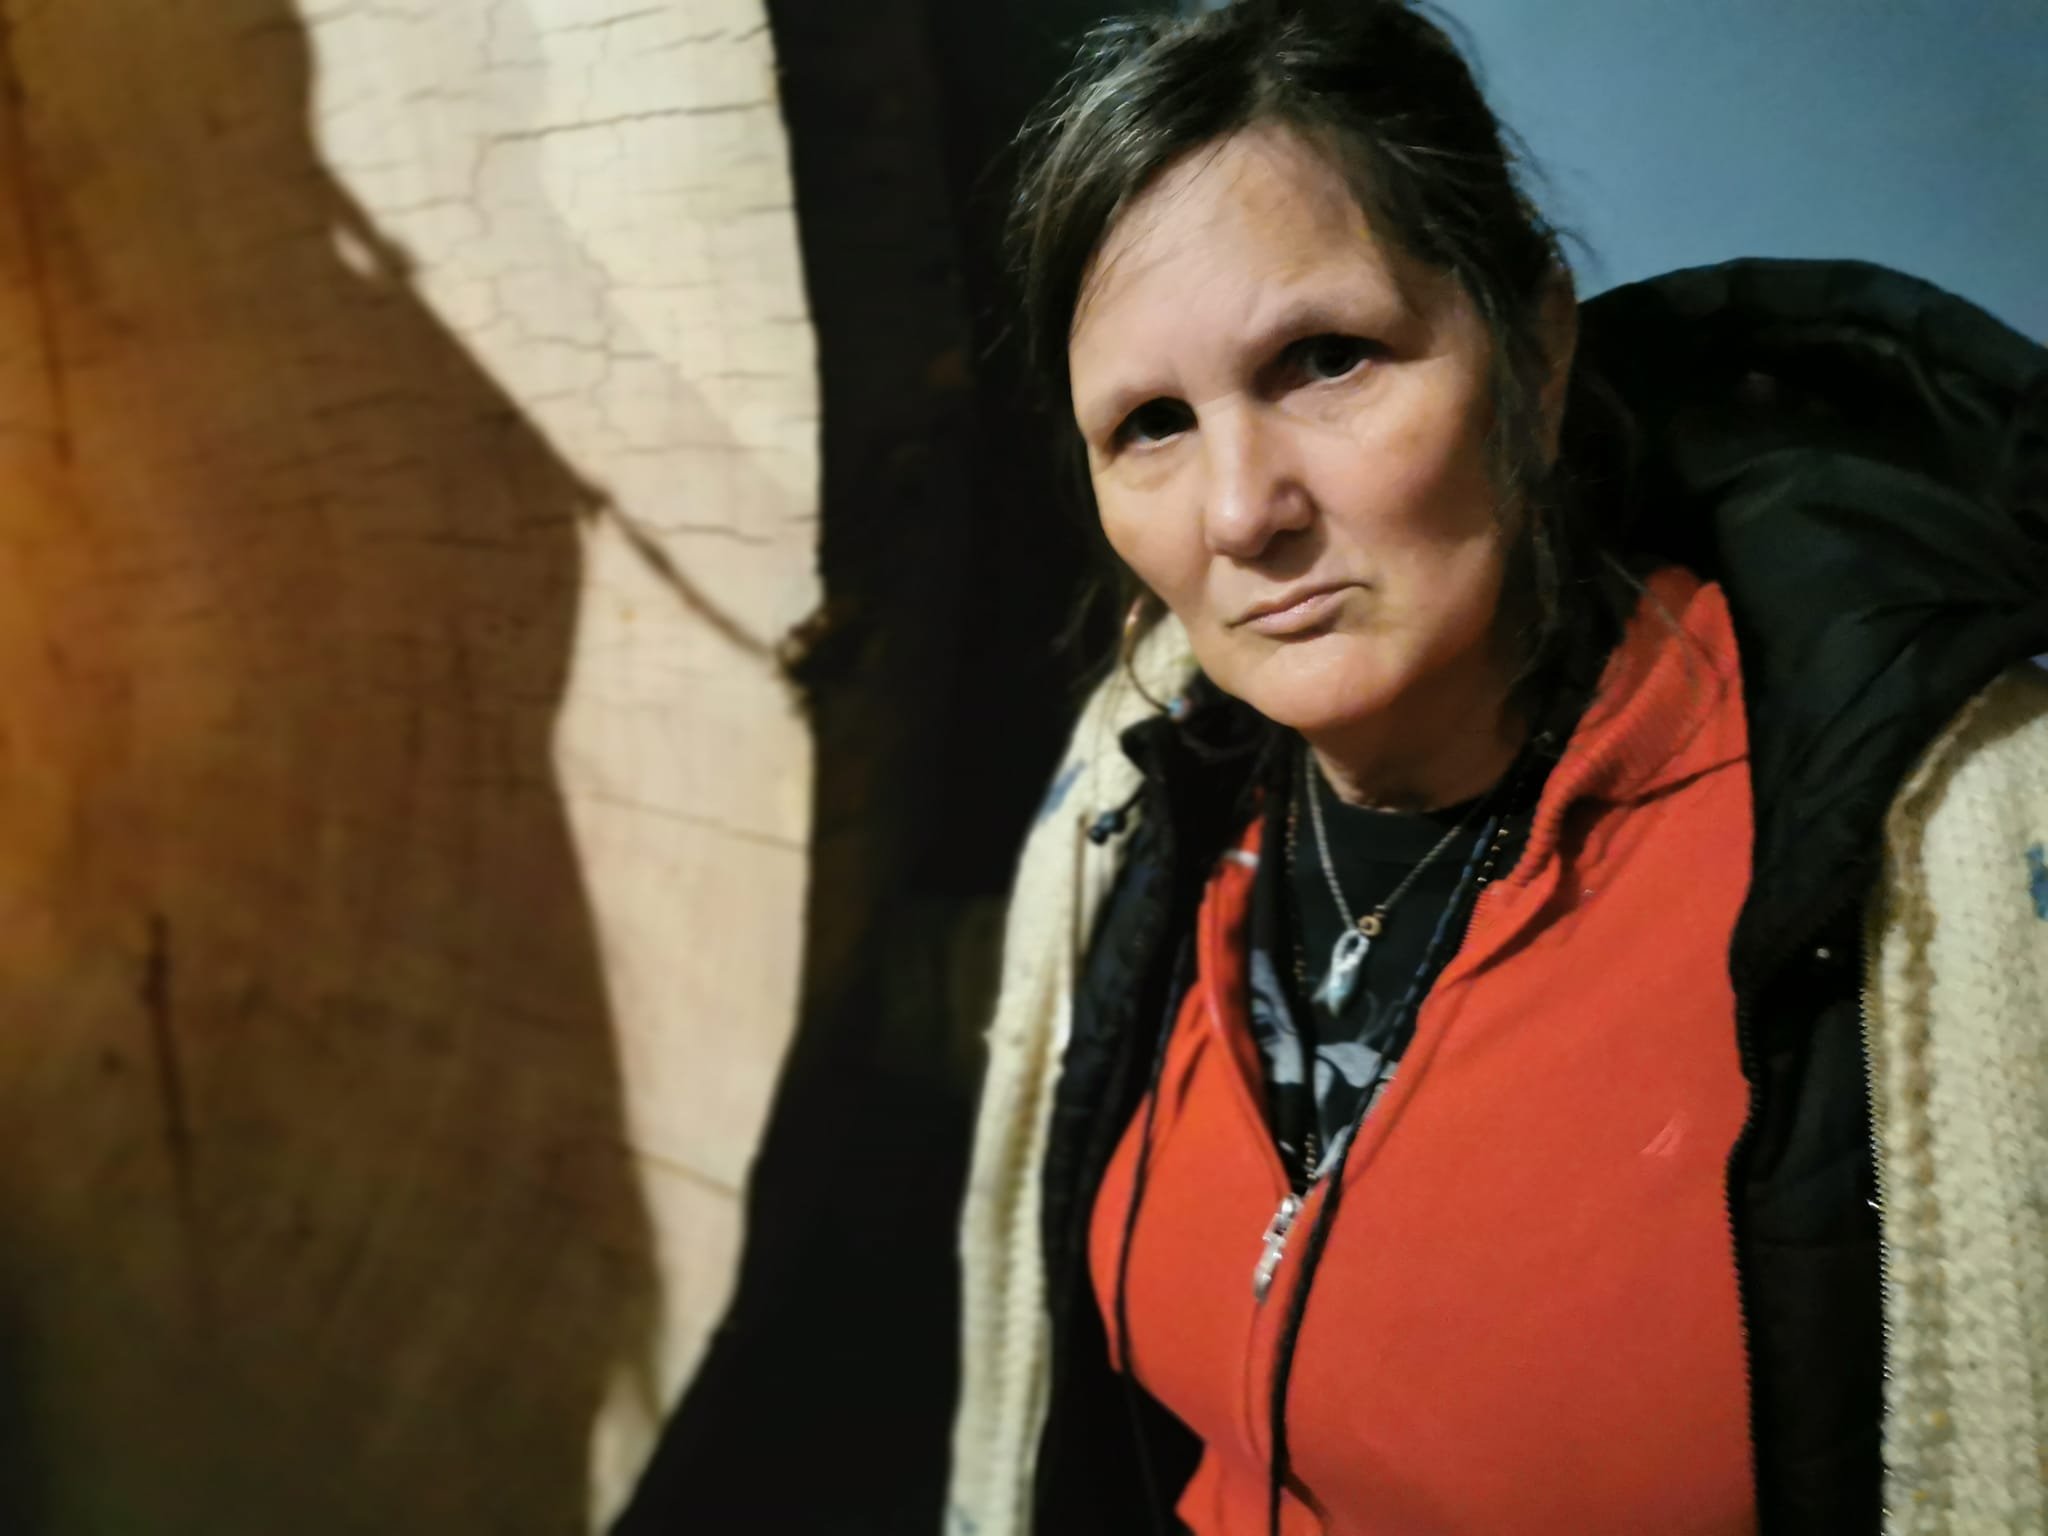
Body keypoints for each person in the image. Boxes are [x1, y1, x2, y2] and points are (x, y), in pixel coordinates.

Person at [944, 2, 2048, 1534]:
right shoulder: (1136, 808)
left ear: (1533, 343)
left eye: (1326, 359)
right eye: (1150, 425)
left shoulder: (1932, 848)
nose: (1242, 510)